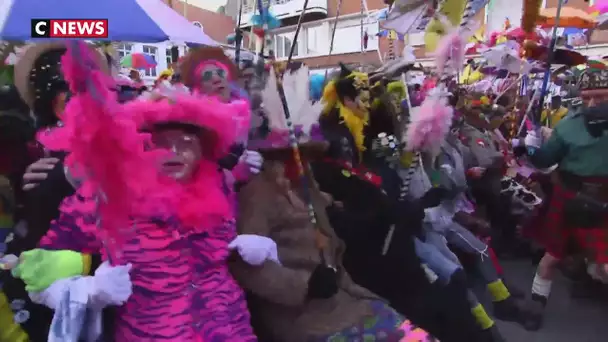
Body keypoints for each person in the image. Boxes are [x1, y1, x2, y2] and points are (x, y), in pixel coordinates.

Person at [16, 42, 272, 341]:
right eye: (160, 141)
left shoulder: (217, 184)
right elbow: (36, 270)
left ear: (204, 146)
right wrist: (90, 291)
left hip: (232, 330)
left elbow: (216, 253)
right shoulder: (107, 196)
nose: (174, 151)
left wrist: (246, 246)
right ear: (138, 144)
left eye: (187, 141)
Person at [232, 64, 435, 341]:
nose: (301, 160)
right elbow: (246, 265)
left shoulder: (307, 186)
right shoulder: (258, 194)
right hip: (302, 316)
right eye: (292, 154)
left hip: (343, 299)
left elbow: (333, 231)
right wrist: (304, 285)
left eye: (305, 154)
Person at [515, 102, 608, 331]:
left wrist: (528, 149)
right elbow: (546, 160)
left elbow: (544, 160)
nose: (593, 102)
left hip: (584, 197)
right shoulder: (568, 125)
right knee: (564, 257)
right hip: (585, 198)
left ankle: (539, 307)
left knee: (594, 261)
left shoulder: (569, 125)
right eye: (591, 96)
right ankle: (537, 308)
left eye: (599, 95)